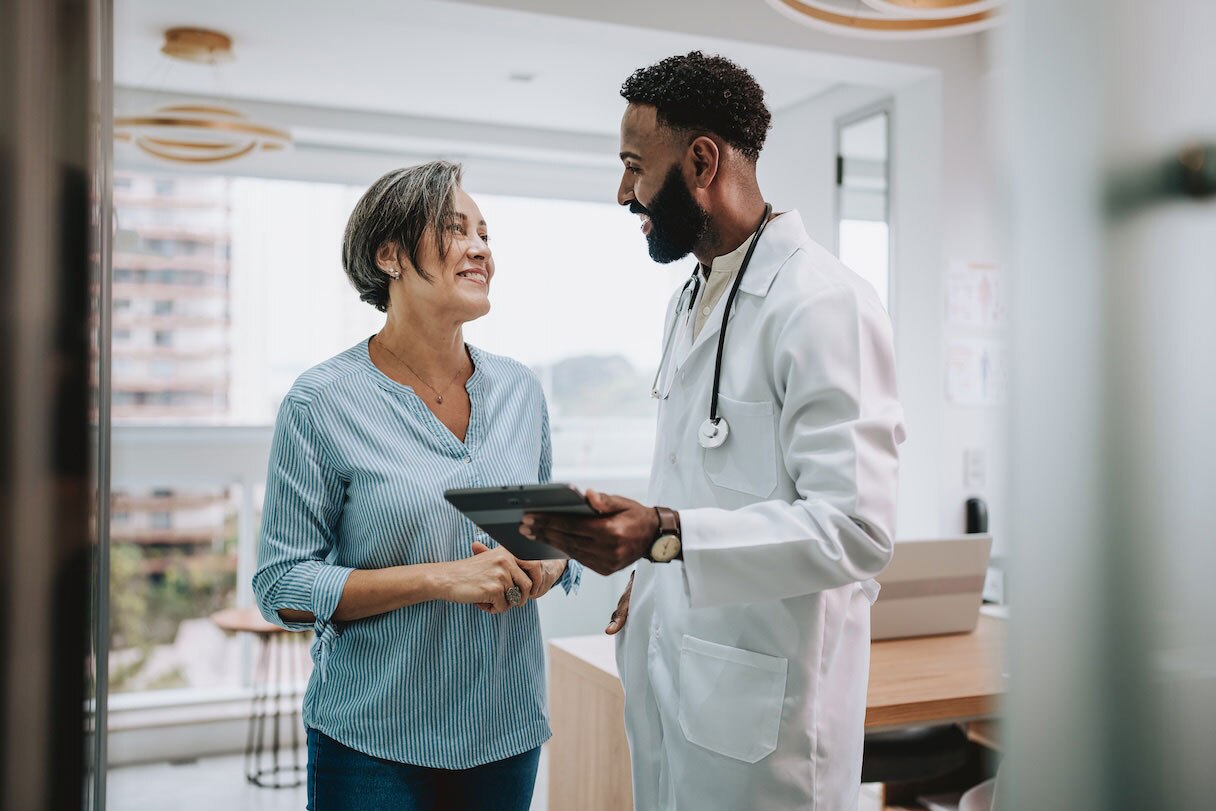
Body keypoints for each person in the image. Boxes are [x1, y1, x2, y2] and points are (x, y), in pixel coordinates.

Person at [519, 52, 904, 809]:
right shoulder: (689, 299)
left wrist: (664, 535)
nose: (623, 192)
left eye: (635, 166)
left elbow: (857, 529)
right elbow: (699, 487)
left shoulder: (825, 304)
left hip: (770, 719)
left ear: (702, 161)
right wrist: (650, 571)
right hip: (682, 672)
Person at [252, 160, 580, 811]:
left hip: (504, 729)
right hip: (371, 739)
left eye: (485, 233)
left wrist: (548, 564)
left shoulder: (520, 390)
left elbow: (546, 534)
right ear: (391, 255)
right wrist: (440, 577)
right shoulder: (321, 401)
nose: (481, 247)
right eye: (457, 229)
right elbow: (281, 585)